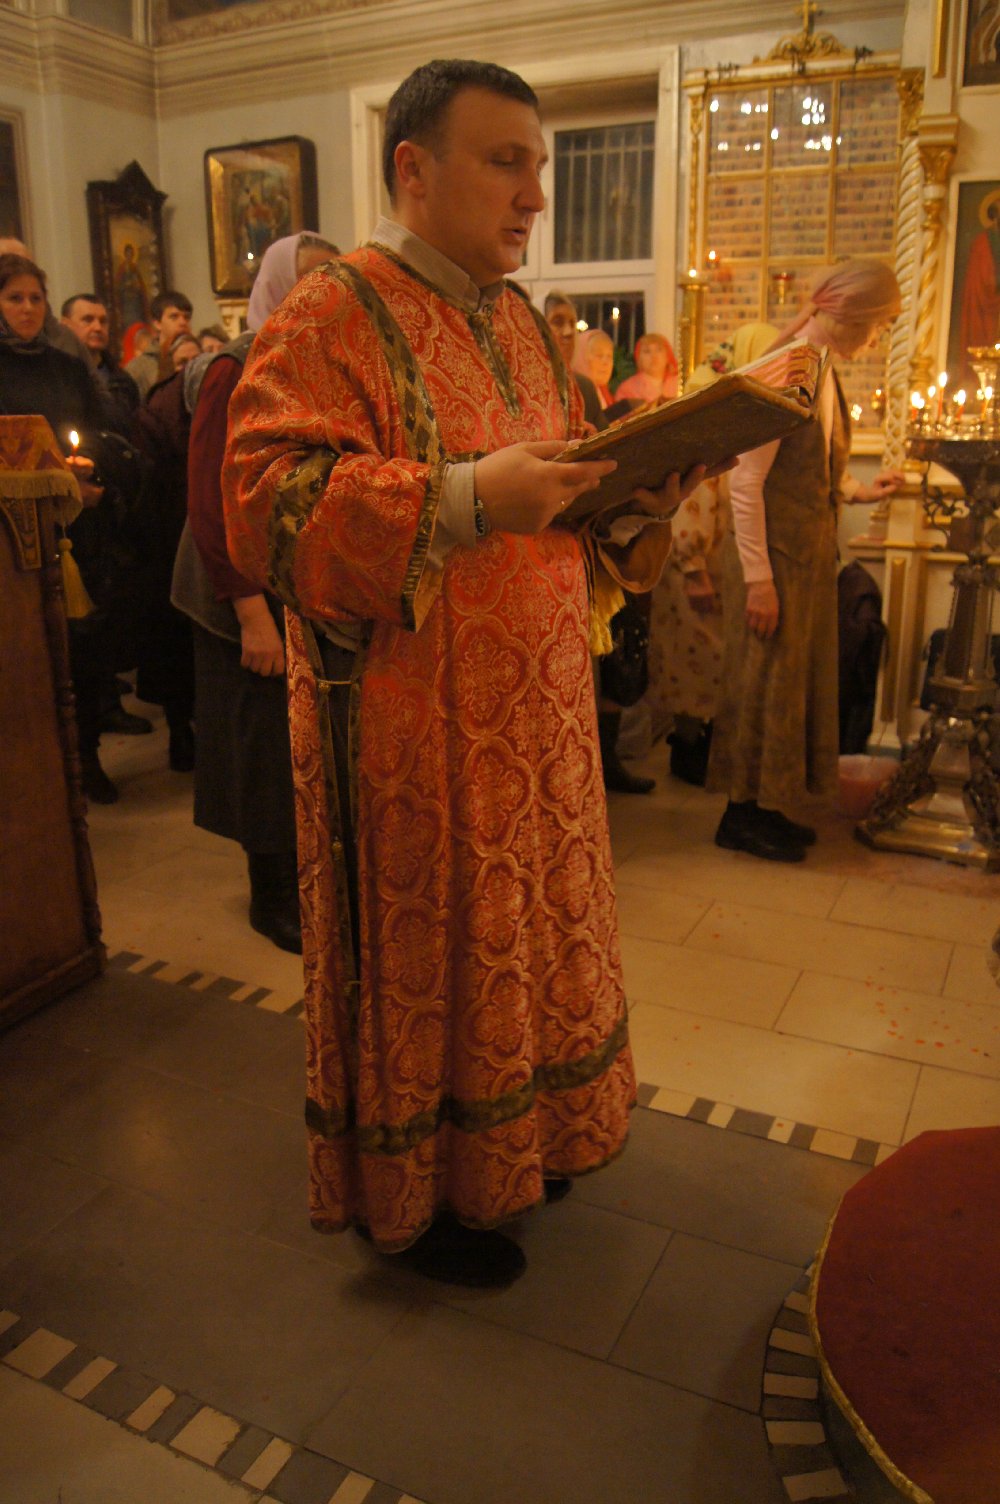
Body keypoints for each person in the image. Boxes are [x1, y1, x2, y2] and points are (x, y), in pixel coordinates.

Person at [223, 59, 717, 1288]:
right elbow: (264, 502)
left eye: (538, 166)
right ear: (413, 168)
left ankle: (524, 1137)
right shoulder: (333, 312)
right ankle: (424, 1196)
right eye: (506, 163)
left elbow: (565, 505)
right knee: (440, 958)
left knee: (529, 940)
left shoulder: (524, 325)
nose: (534, 195)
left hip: (540, 717)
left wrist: (639, 497)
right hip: (416, 726)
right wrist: (460, 498)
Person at [171, 231, 338, 954]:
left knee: (296, 745)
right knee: (260, 748)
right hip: (233, 587)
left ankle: (307, 880)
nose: (320, 297)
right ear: (276, 286)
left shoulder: (319, 363)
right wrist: (250, 613)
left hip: (288, 581)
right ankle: (270, 897)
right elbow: (212, 499)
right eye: (308, 282)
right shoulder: (233, 367)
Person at [706, 258, 905, 862]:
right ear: (852, 316)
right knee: (761, 683)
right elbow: (744, 483)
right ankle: (739, 816)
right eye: (879, 325)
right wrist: (759, 581)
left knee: (787, 687)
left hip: (799, 558)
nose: (877, 338)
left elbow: (809, 470)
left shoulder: (820, 367)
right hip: (772, 560)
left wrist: (860, 492)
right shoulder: (789, 369)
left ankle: (767, 806)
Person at [0, 252, 120, 801]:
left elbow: (95, 431)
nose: (27, 308)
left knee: (82, 645)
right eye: (14, 298)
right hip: (9, 540)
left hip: (74, 530)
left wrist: (88, 468)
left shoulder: (67, 365)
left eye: (35, 298)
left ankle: (86, 755)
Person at [646, 322, 778, 785]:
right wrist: (693, 569)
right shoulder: (703, 415)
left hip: (715, 564)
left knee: (707, 662)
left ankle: (699, 747)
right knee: (693, 663)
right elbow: (691, 500)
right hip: (693, 568)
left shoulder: (729, 415)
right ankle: (687, 750)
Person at [60, 291, 152, 739]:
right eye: (86, 319)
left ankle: (109, 699)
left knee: (112, 608)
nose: (96, 327)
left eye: (102, 319)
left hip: (112, 503)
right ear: (66, 324)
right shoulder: (61, 374)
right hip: (70, 513)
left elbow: (126, 431)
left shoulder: (118, 378)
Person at [544, 290, 606, 429]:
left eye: (572, 324)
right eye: (558, 322)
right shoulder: (525, 392)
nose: (569, 332)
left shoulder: (584, 387)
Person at [126, 290, 193, 400]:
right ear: (157, 323)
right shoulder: (138, 368)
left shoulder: (197, 356)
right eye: (174, 317)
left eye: (186, 317)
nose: (183, 322)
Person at [614, 331, 679, 405]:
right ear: (639, 359)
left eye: (659, 350)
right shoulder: (627, 389)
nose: (654, 356)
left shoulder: (680, 384)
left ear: (667, 355)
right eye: (647, 351)